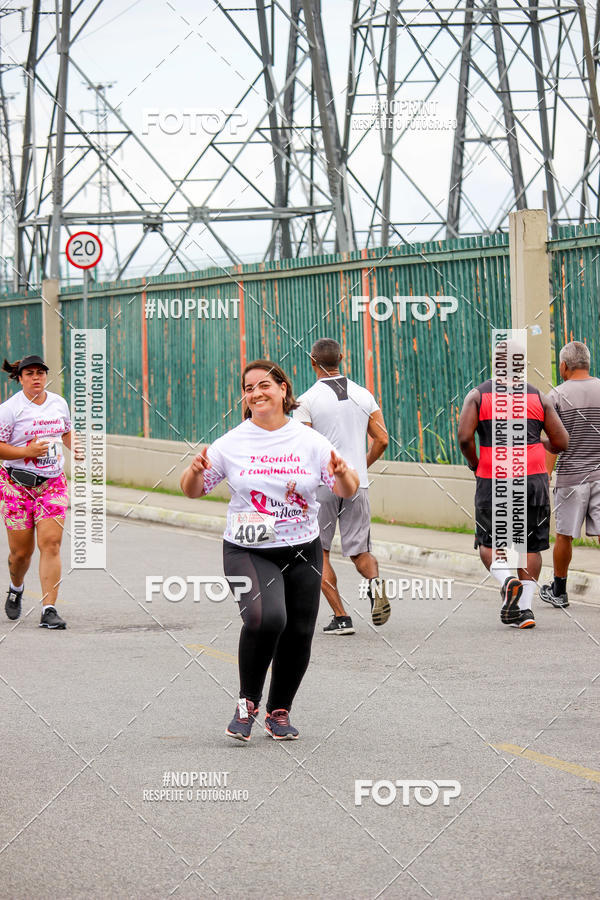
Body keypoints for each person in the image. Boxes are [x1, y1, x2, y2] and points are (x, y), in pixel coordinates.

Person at [180, 359, 358, 742]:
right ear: (244, 397)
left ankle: (279, 711)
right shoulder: (231, 442)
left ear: (282, 389)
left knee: (298, 632)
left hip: (301, 548)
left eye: (264, 385)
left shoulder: (309, 440)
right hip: (248, 548)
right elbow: (193, 490)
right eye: (248, 388)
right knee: (266, 618)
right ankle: (247, 702)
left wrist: (343, 473)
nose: (256, 393)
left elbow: (347, 488)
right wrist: (194, 471)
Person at [458, 341, 568, 628]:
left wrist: (474, 463)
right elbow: (562, 442)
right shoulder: (538, 397)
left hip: (492, 477)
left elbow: (464, 438)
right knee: (529, 545)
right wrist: (539, 442)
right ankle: (526, 610)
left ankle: (508, 581)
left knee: (489, 541)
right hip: (532, 479)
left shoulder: (478, 395)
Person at [293, 338, 390, 635]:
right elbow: (383, 439)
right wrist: (357, 469)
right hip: (356, 484)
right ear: (342, 358)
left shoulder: (306, 401)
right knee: (360, 550)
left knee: (317, 553)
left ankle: (341, 616)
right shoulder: (364, 395)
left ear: (312, 361)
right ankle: (375, 584)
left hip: (322, 486)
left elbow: (304, 449)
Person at [0, 355, 76, 629]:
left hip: (52, 483)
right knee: (21, 554)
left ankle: (49, 609)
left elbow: (65, 431)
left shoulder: (58, 403)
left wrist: (75, 446)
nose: (36, 377)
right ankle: (16, 586)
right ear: (19, 378)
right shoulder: (9, 409)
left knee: (51, 543)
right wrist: (26, 452)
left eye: (40, 373)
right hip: (16, 486)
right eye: (29, 373)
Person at [541, 341, 600, 608]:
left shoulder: (555, 396)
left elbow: (554, 442)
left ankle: (559, 591)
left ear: (564, 366)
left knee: (564, 535)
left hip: (571, 479)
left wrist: (545, 476)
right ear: (588, 363)